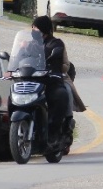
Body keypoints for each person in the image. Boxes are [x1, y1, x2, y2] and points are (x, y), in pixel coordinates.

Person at [31, 15, 72, 146]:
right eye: (32, 27)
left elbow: (50, 52)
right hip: (33, 80)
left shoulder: (55, 43)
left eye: (35, 28)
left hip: (51, 80)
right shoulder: (30, 44)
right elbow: (19, 57)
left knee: (61, 95)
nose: (33, 30)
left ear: (43, 29)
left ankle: (54, 133)